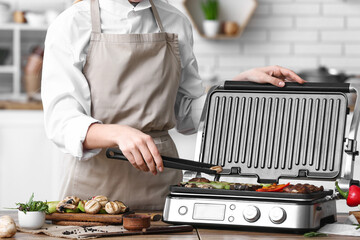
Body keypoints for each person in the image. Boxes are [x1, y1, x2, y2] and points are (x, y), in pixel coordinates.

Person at [41, 0, 305, 210]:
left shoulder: (174, 20)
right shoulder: (72, 24)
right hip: (93, 196)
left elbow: (186, 114)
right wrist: (118, 133)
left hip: (163, 189)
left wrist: (236, 88)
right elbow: (61, 123)